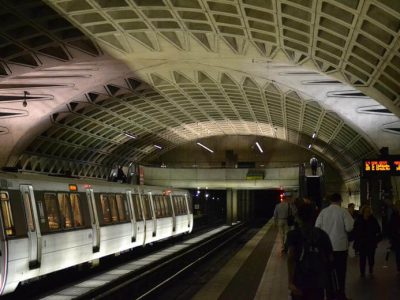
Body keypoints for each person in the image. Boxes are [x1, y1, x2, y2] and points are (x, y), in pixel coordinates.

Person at [287, 203, 333, 300]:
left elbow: (291, 258)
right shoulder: (322, 235)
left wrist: (290, 282)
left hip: (299, 281)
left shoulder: (293, 234)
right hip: (318, 281)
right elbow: (330, 258)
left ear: (298, 217)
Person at [315, 193, 354, 300]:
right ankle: (340, 295)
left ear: (330, 200)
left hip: (326, 249)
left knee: (327, 272)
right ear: (340, 200)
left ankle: (329, 295)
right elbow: (350, 227)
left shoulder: (323, 212)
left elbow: (317, 227)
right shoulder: (343, 211)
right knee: (341, 272)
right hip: (340, 247)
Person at [353, 205, 381, 278]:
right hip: (362, 242)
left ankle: (371, 268)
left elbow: (378, 229)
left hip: (371, 242)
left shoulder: (373, 219)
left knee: (371, 257)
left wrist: (376, 239)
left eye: (368, 212)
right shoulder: (359, 220)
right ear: (363, 212)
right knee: (362, 258)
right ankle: (362, 272)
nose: (367, 213)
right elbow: (355, 230)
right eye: (366, 212)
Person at [388, 201, 400, 273]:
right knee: (398, 253)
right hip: (397, 237)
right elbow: (391, 226)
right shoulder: (394, 215)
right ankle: (399, 266)